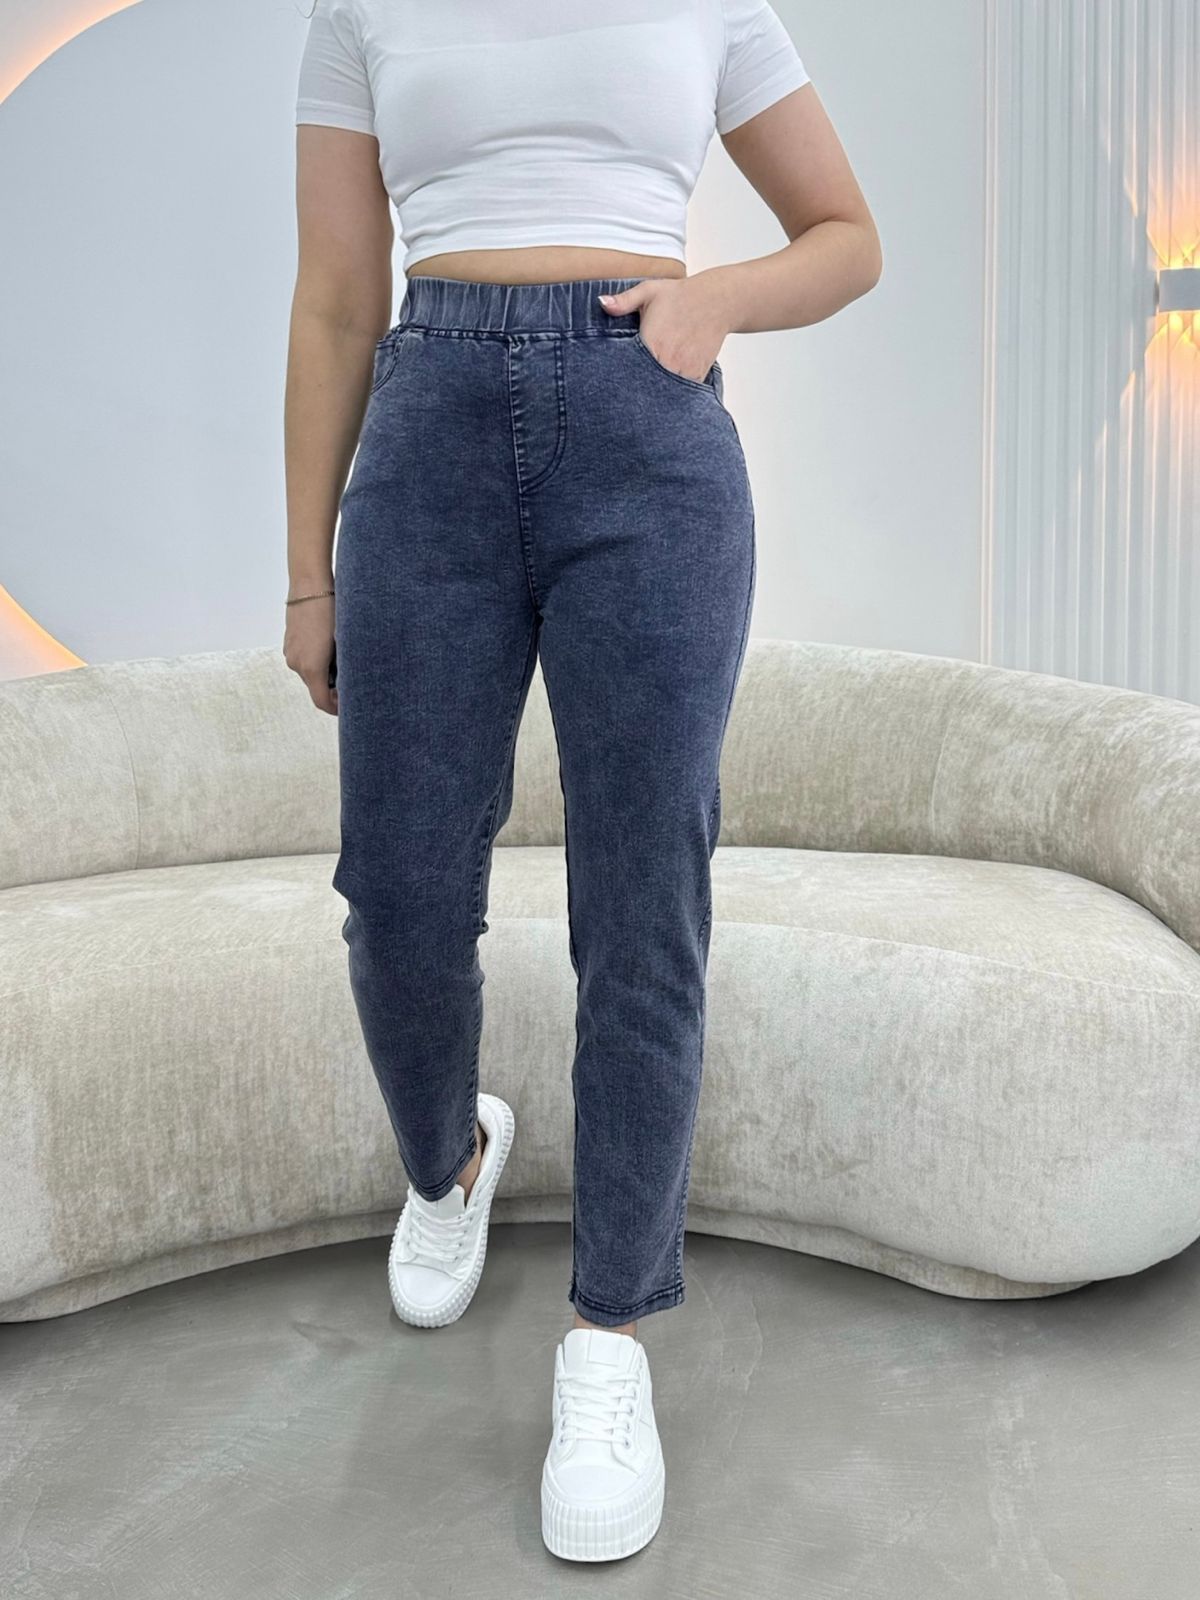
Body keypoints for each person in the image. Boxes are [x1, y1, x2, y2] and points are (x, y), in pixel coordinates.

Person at [284, 0, 881, 1563]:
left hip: (648, 439)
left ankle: (609, 1336)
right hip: (425, 437)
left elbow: (847, 237)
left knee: (642, 902)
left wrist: (713, 302)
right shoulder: (356, 10)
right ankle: (451, 1158)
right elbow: (337, 297)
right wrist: (306, 573)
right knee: (401, 892)